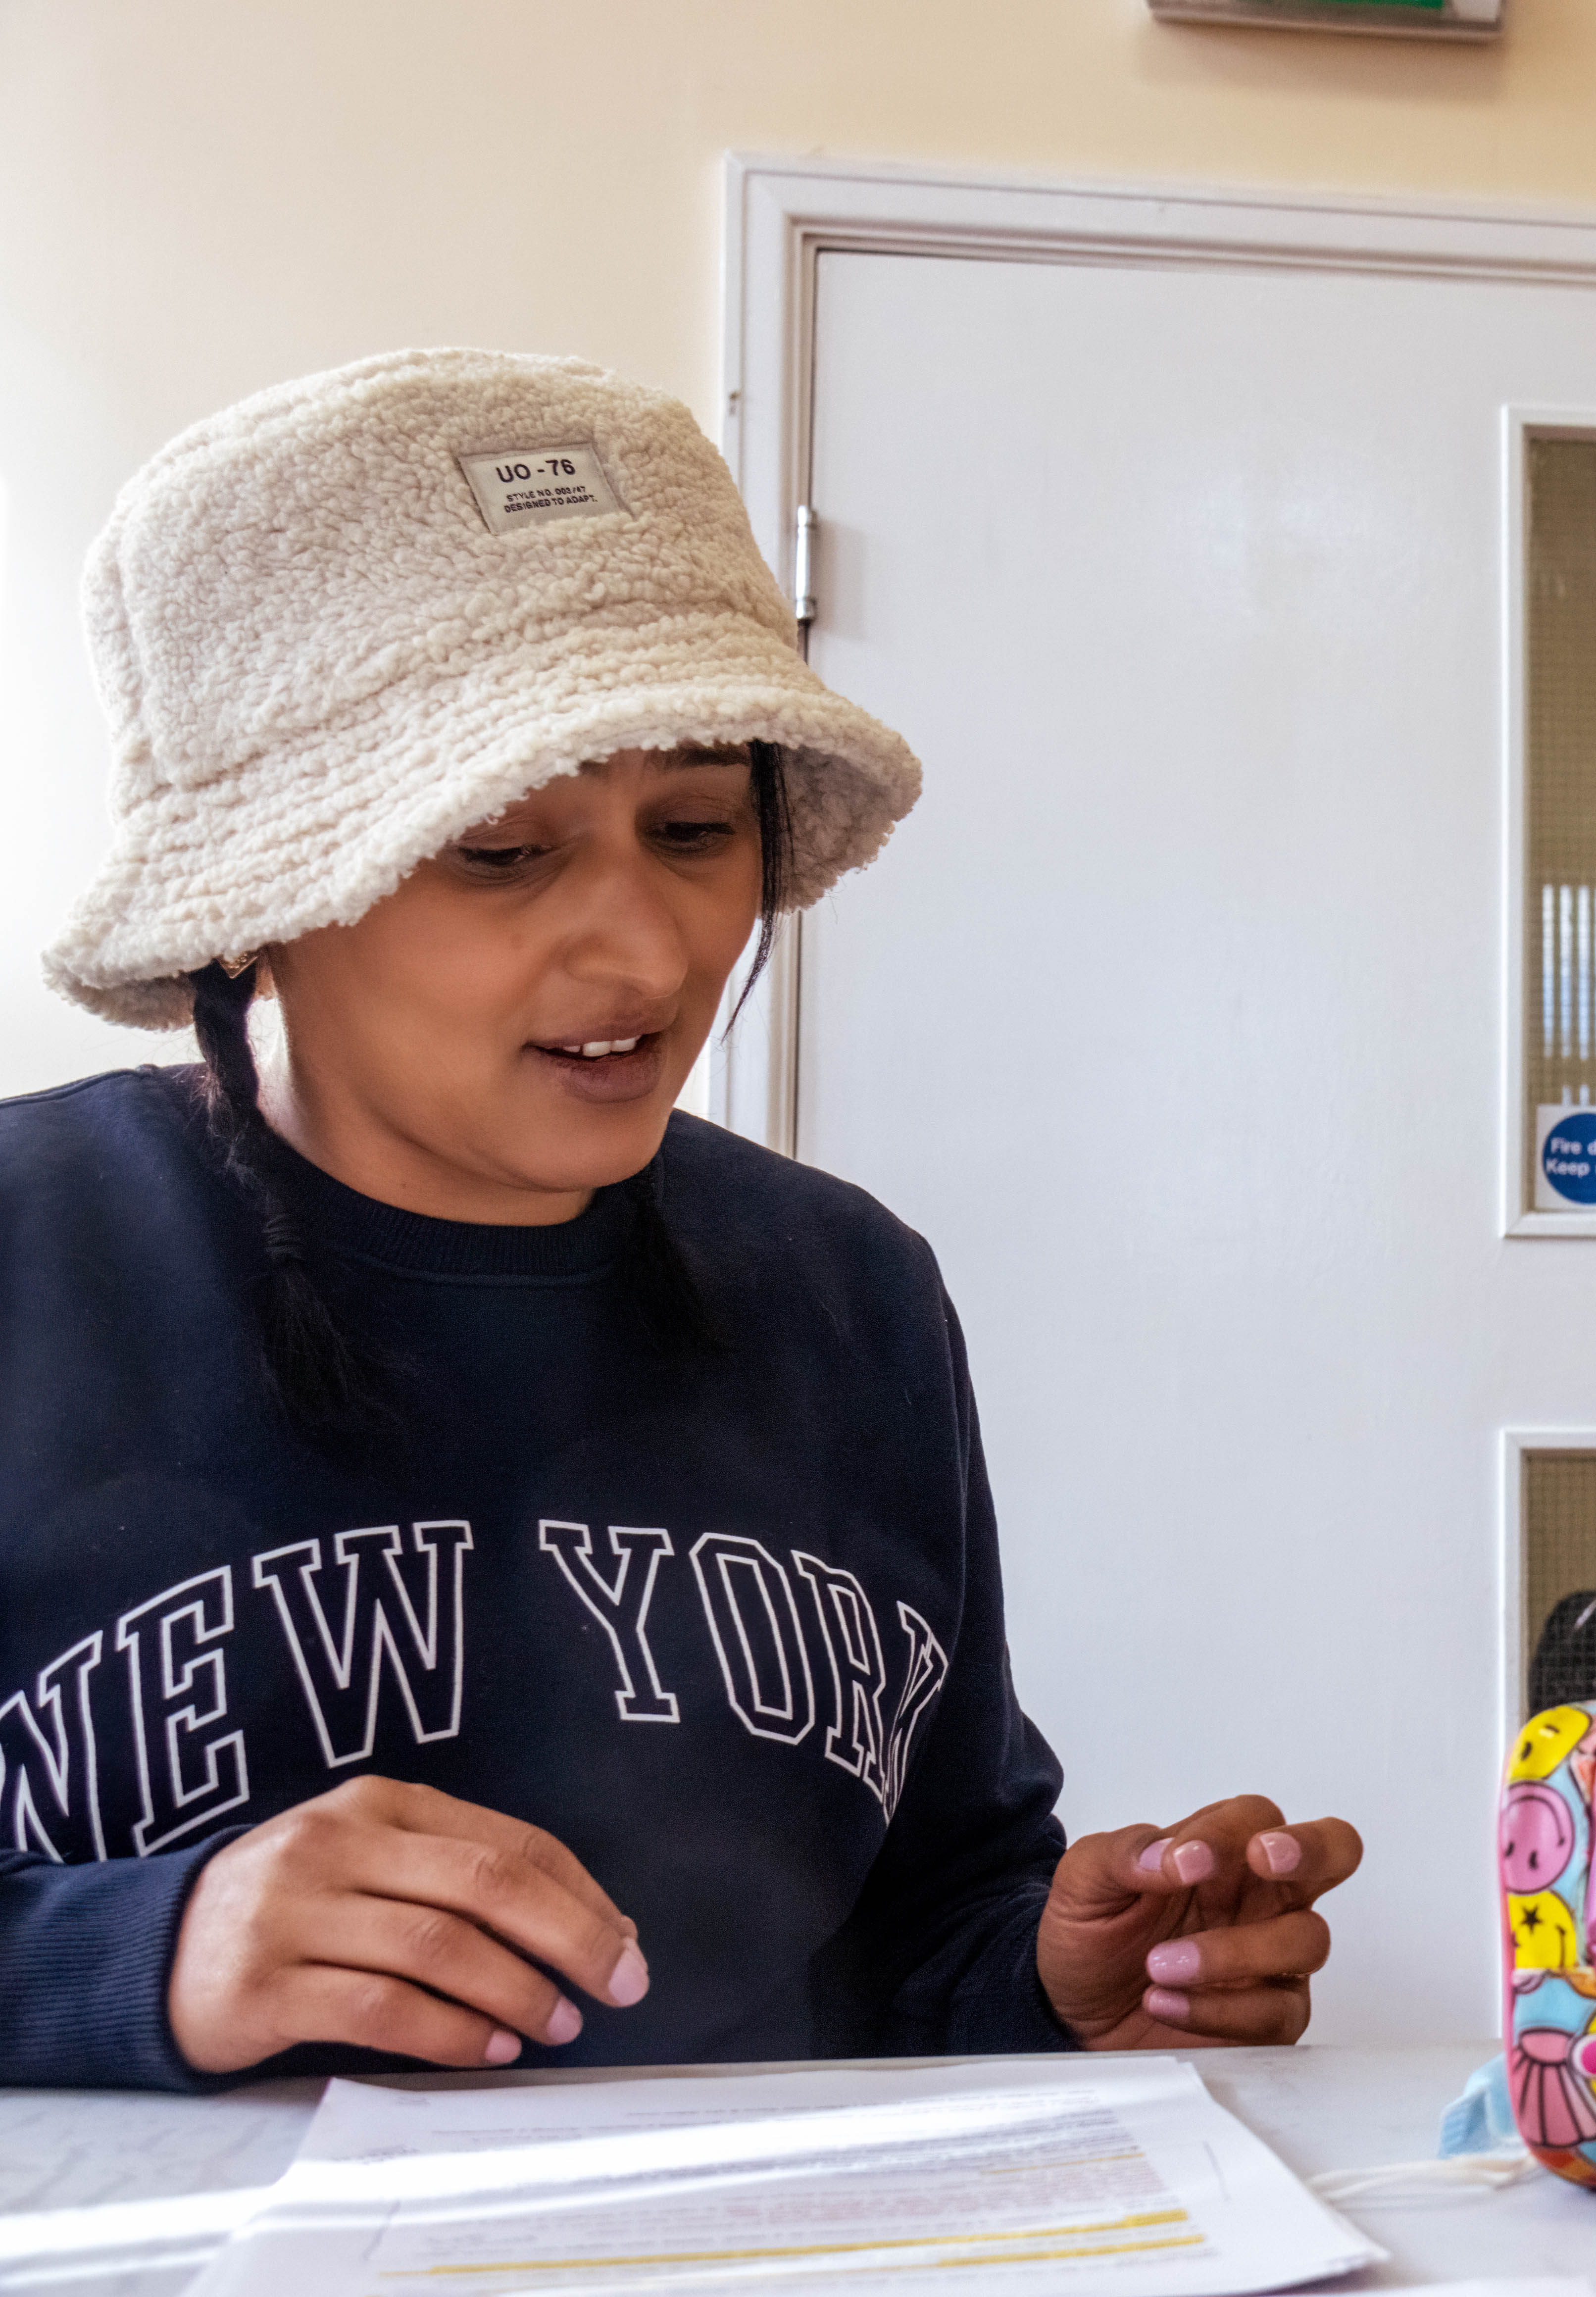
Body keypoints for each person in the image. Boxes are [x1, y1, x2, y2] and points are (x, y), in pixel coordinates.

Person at [0, 351, 1359, 2087]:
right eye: (503, 852)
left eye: (699, 828)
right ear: (268, 899)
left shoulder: (849, 1291)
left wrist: (1055, 1976)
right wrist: (137, 1954)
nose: (651, 957)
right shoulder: (37, 1259)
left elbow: (921, 1910)